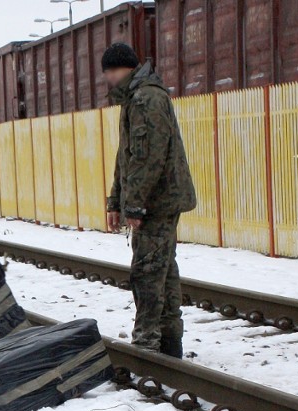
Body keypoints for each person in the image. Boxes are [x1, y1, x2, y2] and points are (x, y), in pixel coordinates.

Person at [102, 43, 197, 359]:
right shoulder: (134, 99)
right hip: (156, 199)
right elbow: (125, 155)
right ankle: (169, 344)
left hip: (159, 200)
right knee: (163, 269)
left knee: (146, 272)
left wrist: (136, 203)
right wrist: (116, 200)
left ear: (125, 68)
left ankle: (146, 345)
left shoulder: (146, 99)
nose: (108, 79)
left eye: (111, 72)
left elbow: (148, 157)